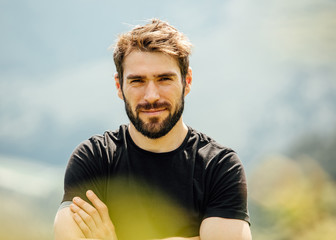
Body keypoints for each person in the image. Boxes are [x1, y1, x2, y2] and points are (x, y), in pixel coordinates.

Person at [54, 19, 251, 240]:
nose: (151, 96)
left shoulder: (219, 166)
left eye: (164, 79)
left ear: (187, 81)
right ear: (119, 87)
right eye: (137, 81)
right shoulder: (94, 158)